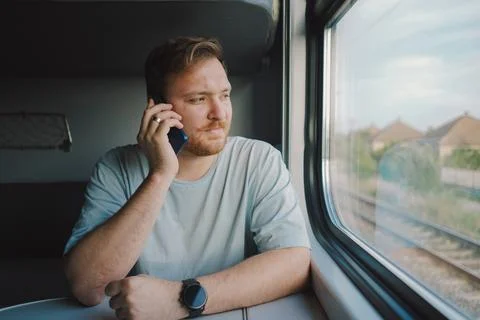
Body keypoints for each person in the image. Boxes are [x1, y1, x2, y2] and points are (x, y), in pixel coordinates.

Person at [64, 37, 311, 320]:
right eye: (198, 99)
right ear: (159, 109)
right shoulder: (115, 167)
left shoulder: (258, 160)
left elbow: (294, 262)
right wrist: (160, 175)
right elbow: (86, 287)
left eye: (225, 95)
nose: (220, 114)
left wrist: (181, 299)